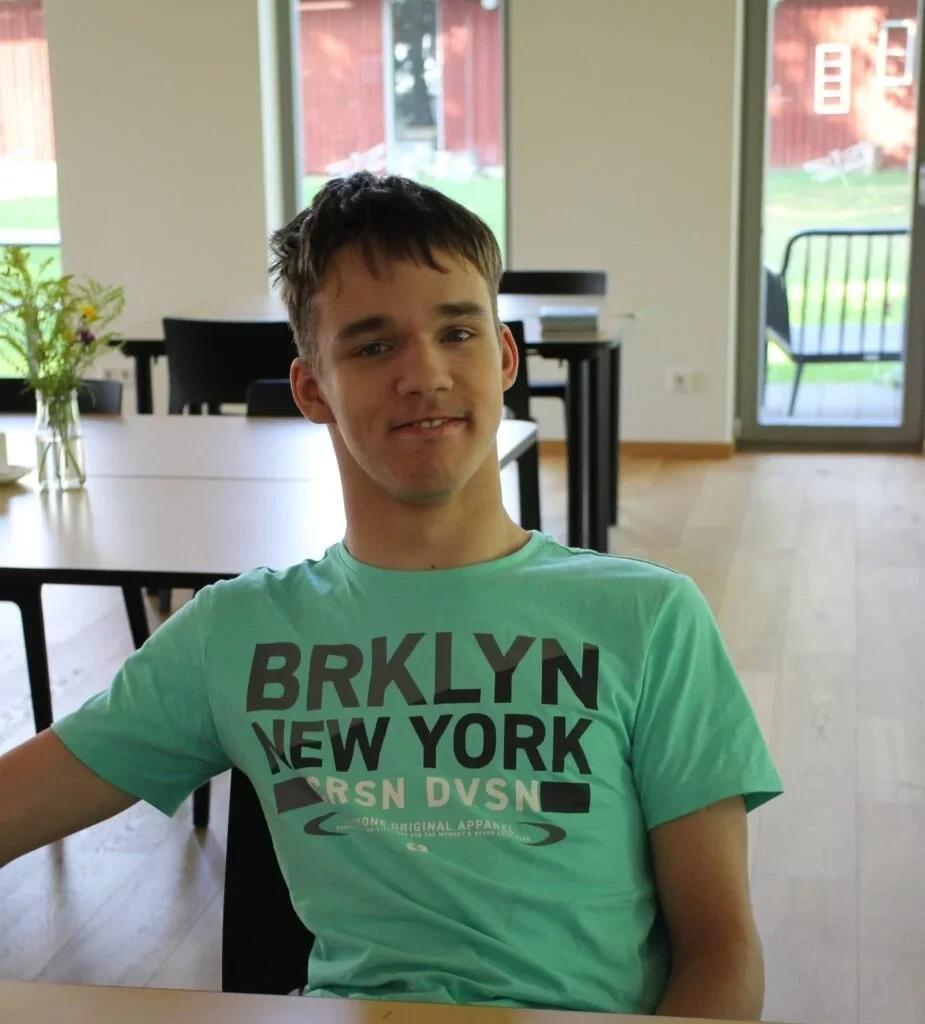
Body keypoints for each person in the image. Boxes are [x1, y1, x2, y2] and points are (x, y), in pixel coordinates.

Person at [0, 172, 782, 1019]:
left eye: (457, 332)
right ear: (311, 389)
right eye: (373, 348)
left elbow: (720, 952)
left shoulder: (648, 618)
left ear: (504, 358)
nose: (424, 374)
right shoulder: (235, 631)